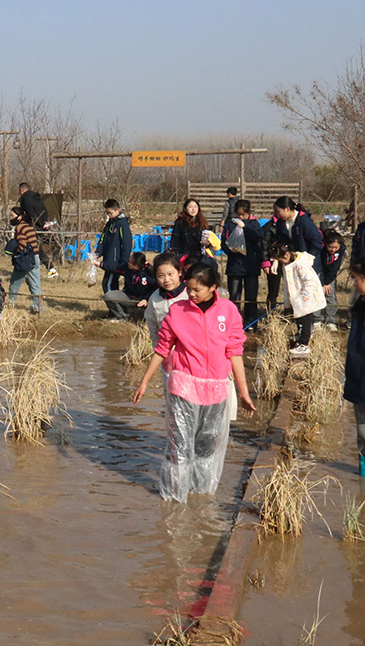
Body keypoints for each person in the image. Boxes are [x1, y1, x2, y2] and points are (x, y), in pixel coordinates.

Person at [132, 263, 255, 503]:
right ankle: (174, 502)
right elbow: (162, 348)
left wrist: (244, 392)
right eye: (188, 289)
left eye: (197, 290)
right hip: (184, 386)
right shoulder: (178, 311)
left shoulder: (228, 311)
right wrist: (144, 381)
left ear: (213, 287)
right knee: (180, 447)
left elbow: (235, 353)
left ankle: (200, 497)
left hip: (216, 388)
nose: (191, 294)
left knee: (206, 446)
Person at [269, 241, 326, 357]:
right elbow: (286, 285)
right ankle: (301, 335)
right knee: (298, 319)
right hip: (296, 298)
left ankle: (304, 344)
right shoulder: (287, 265)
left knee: (305, 319)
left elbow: (309, 282)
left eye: (280, 260)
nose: (280, 263)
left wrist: (305, 297)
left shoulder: (301, 265)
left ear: (287, 255)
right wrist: (287, 303)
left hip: (306, 298)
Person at [221, 199, 263, 328]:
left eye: (243, 215)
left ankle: (251, 321)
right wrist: (231, 250)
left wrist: (246, 228)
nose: (240, 217)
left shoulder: (254, 224)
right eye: (238, 215)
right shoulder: (230, 224)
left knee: (251, 295)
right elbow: (224, 242)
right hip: (235, 265)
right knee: (234, 295)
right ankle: (234, 322)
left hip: (250, 265)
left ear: (248, 213)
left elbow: (258, 238)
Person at [342, 260, 365, 476]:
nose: (354, 284)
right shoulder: (359, 306)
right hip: (359, 376)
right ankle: (362, 478)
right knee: (362, 430)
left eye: (355, 279)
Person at [145, 253, 190, 348]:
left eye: (170, 274)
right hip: (166, 350)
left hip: (189, 350)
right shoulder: (155, 298)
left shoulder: (189, 295)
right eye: (161, 276)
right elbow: (152, 325)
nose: (166, 280)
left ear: (180, 272)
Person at [6, 206, 42, 313]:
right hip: (35, 256)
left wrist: (16, 252)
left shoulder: (20, 227)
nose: (10, 218)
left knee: (14, 283)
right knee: (35, 284)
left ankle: (11, 305)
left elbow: (22, 243)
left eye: (12, 216)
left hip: (25, 258)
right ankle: (39, 308)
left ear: (19, 217)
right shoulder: (29, 226)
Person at [18, 183, 57, 278]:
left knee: (34, 247)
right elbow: (44, 210)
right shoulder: (37, 198)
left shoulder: (25, 199)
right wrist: (44, 222)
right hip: (42, 224)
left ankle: (51, 269)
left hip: (32, 226)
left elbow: (30, 213)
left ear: (21, 190)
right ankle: (37, 268)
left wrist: (35, 223)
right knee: (34, 247)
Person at [104, 252, 157, 321]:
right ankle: (122, 317)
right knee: (108, 296)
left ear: (136, 266)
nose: (128, 262)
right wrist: (101, 264)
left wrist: (146, 299)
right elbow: (114, 268)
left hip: (143, 300)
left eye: (130, 262)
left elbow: (156, 290)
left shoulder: (150, 274)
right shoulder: (126, 268)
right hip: (128, 296)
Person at [96, 199, 133, 295]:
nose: (109, 215)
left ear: (118, 210)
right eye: (107, 213)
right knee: (109, 285)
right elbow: (103, 240)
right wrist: (98, 253)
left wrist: (124, 261)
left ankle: (117, 309)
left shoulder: (122, 225)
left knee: (108, 286)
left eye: (110, 213)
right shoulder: (109, 224)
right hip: (109, 260)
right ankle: (116, 308)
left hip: (116, 262)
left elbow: (126, 244)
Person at [318, 230, 344, 330]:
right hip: (318, 274)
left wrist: (327, 283)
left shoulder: (340, 252)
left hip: (330, 276)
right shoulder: (320, 250)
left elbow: (334, 268)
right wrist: (321, 283)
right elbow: (318, 266)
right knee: (317, 295)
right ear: (325, 244)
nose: (333, 249)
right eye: (330, 247)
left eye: (335, 247)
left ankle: (330, 320)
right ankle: (317, 320)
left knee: (330, 296)